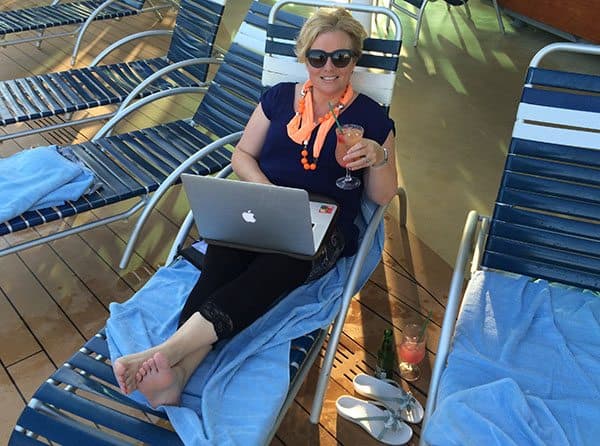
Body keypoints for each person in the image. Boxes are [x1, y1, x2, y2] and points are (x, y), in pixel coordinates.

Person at [112, 7, 398, 409]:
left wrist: (378, 158)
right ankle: (179, 374)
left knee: (275, 268)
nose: (329, 68)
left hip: (324, 225)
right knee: (222, 259)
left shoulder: (371, 118)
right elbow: (242, 154)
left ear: (354, 60)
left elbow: (383, 196)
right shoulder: (278, 98)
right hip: (264, 206)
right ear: (304, 58)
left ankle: (166, 351)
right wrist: (268, 193)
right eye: (318, 57)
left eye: (341, 57)